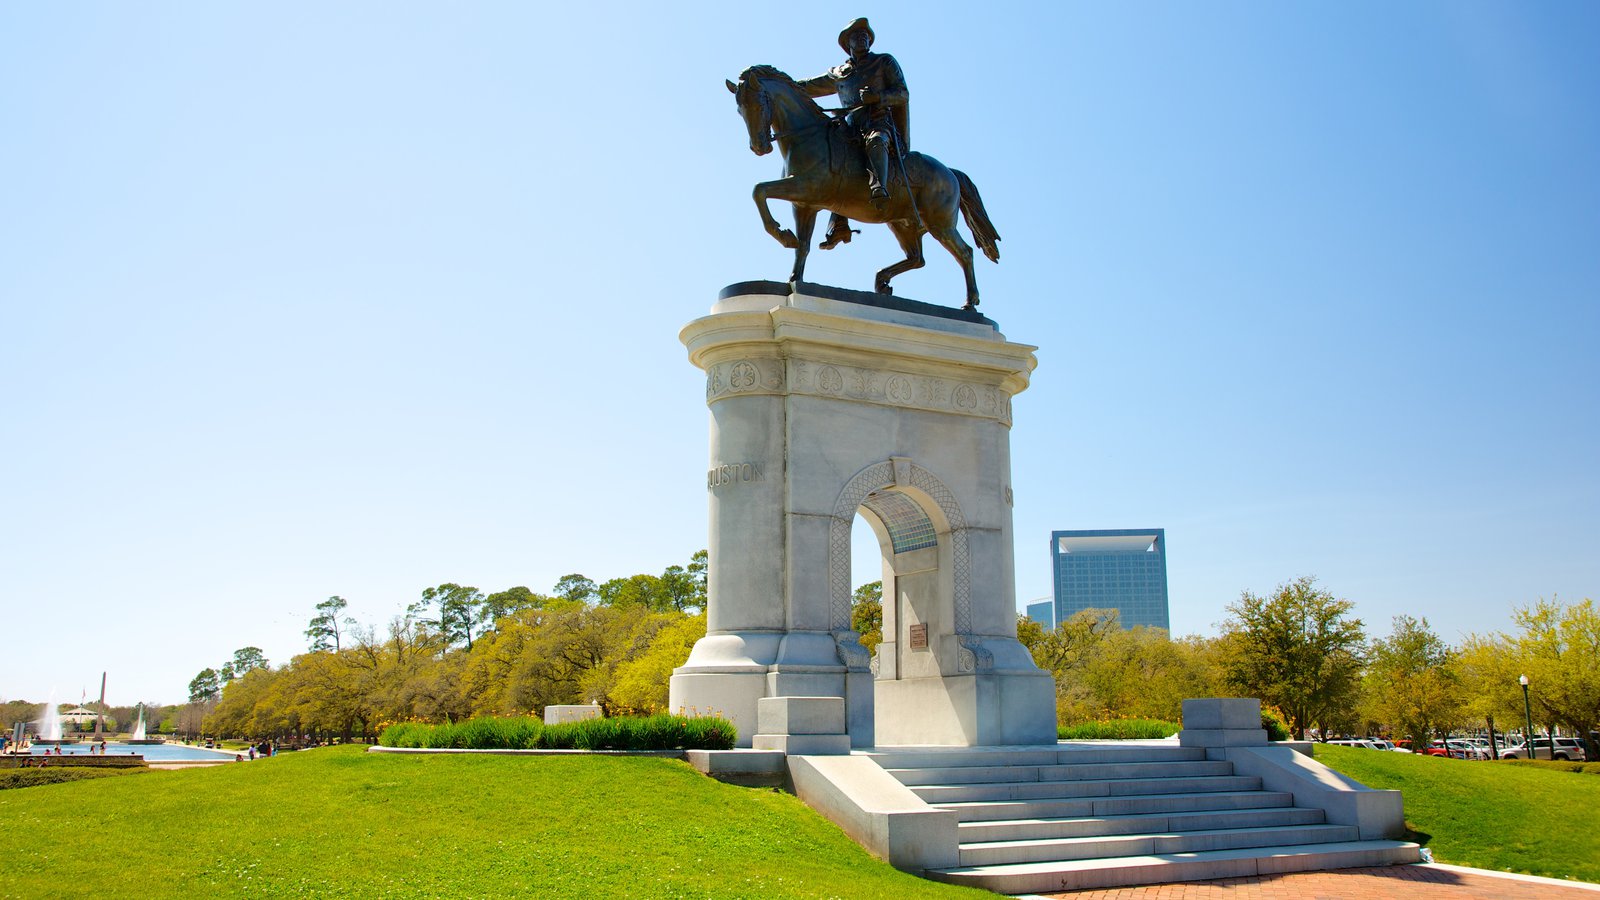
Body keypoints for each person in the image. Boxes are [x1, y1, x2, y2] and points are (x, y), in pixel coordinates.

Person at [798, 18, 910, 249]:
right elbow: (809, 86)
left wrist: (877, 98)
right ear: (847, 43)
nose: (863, 38)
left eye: (866, 35)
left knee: (876, 141)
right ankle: (839, 224)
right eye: (857, 35)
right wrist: (779, 84)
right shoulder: (840, 73)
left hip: (878, 122)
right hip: (849, 129)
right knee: (830, 162)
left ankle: (879, 187)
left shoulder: (883, 62)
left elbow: (902, 93)